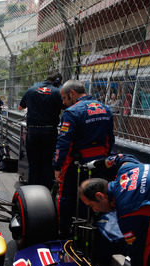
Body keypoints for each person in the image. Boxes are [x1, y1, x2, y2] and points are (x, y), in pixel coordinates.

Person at [53, 79, 114, 237]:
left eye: (65, 99)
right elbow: (110, 140)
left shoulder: (72, 112)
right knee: (96, 196)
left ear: (72, 94)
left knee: (66, 197)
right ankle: (94, 232)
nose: (64, 103)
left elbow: (63, 143)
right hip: (100, 163)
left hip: (77, 164)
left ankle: (64, 233)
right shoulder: (105, 109)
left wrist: (57, 167)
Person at [18, 72, 62, 189]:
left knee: (33, 163)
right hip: (49, 131)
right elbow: (65, 107)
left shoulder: (31, 90)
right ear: (57, 83)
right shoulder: (57, 92)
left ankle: (32, 191)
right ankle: (46, 191)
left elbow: (20, 107)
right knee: (47, 163)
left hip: (33, 131)